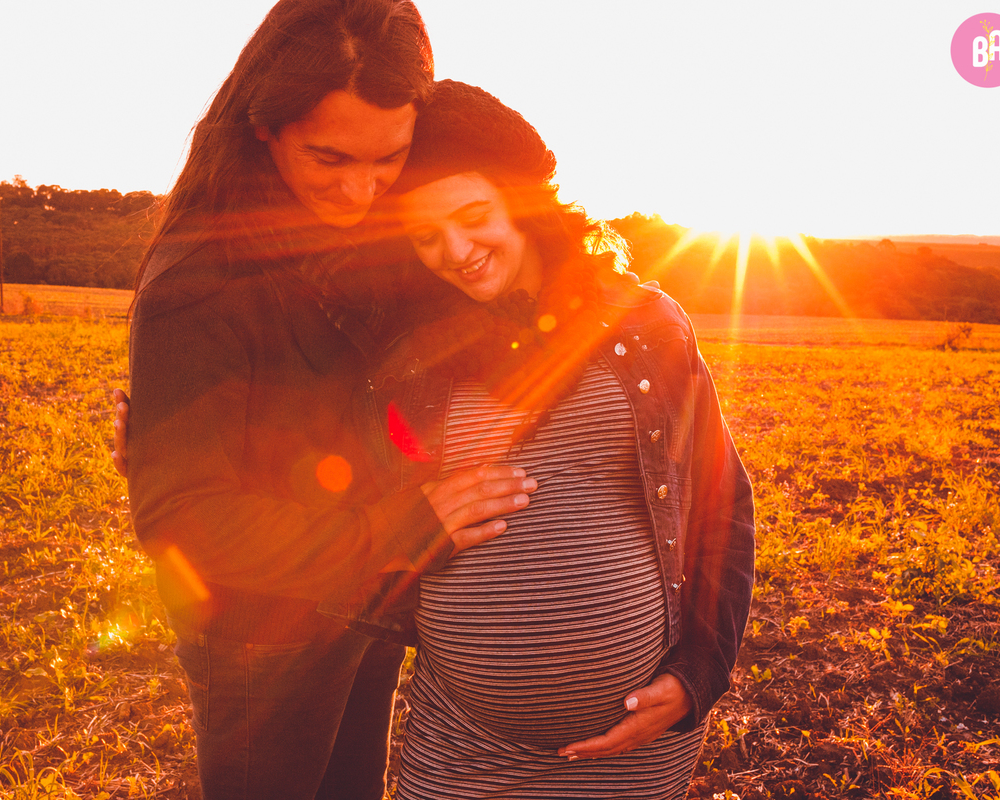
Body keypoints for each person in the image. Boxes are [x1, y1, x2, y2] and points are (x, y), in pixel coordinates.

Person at [121, 4, 536, 798]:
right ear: (264, 127)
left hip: (361, 605)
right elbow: (183, 519)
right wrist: (405, 529)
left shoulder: (375, 232)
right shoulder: (199, 283)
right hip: (263, 638)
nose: (360, 188)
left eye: (389, 158)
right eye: (330, 158)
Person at [338, 80, 757, 798]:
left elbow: (722, 504)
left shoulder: (644, 325)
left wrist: (698, 677)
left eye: (473, 217)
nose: (457, 251)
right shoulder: (401, 355)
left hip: (635, 743)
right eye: (427, 236)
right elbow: (314, 490)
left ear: (522, 200)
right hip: (462, 745)